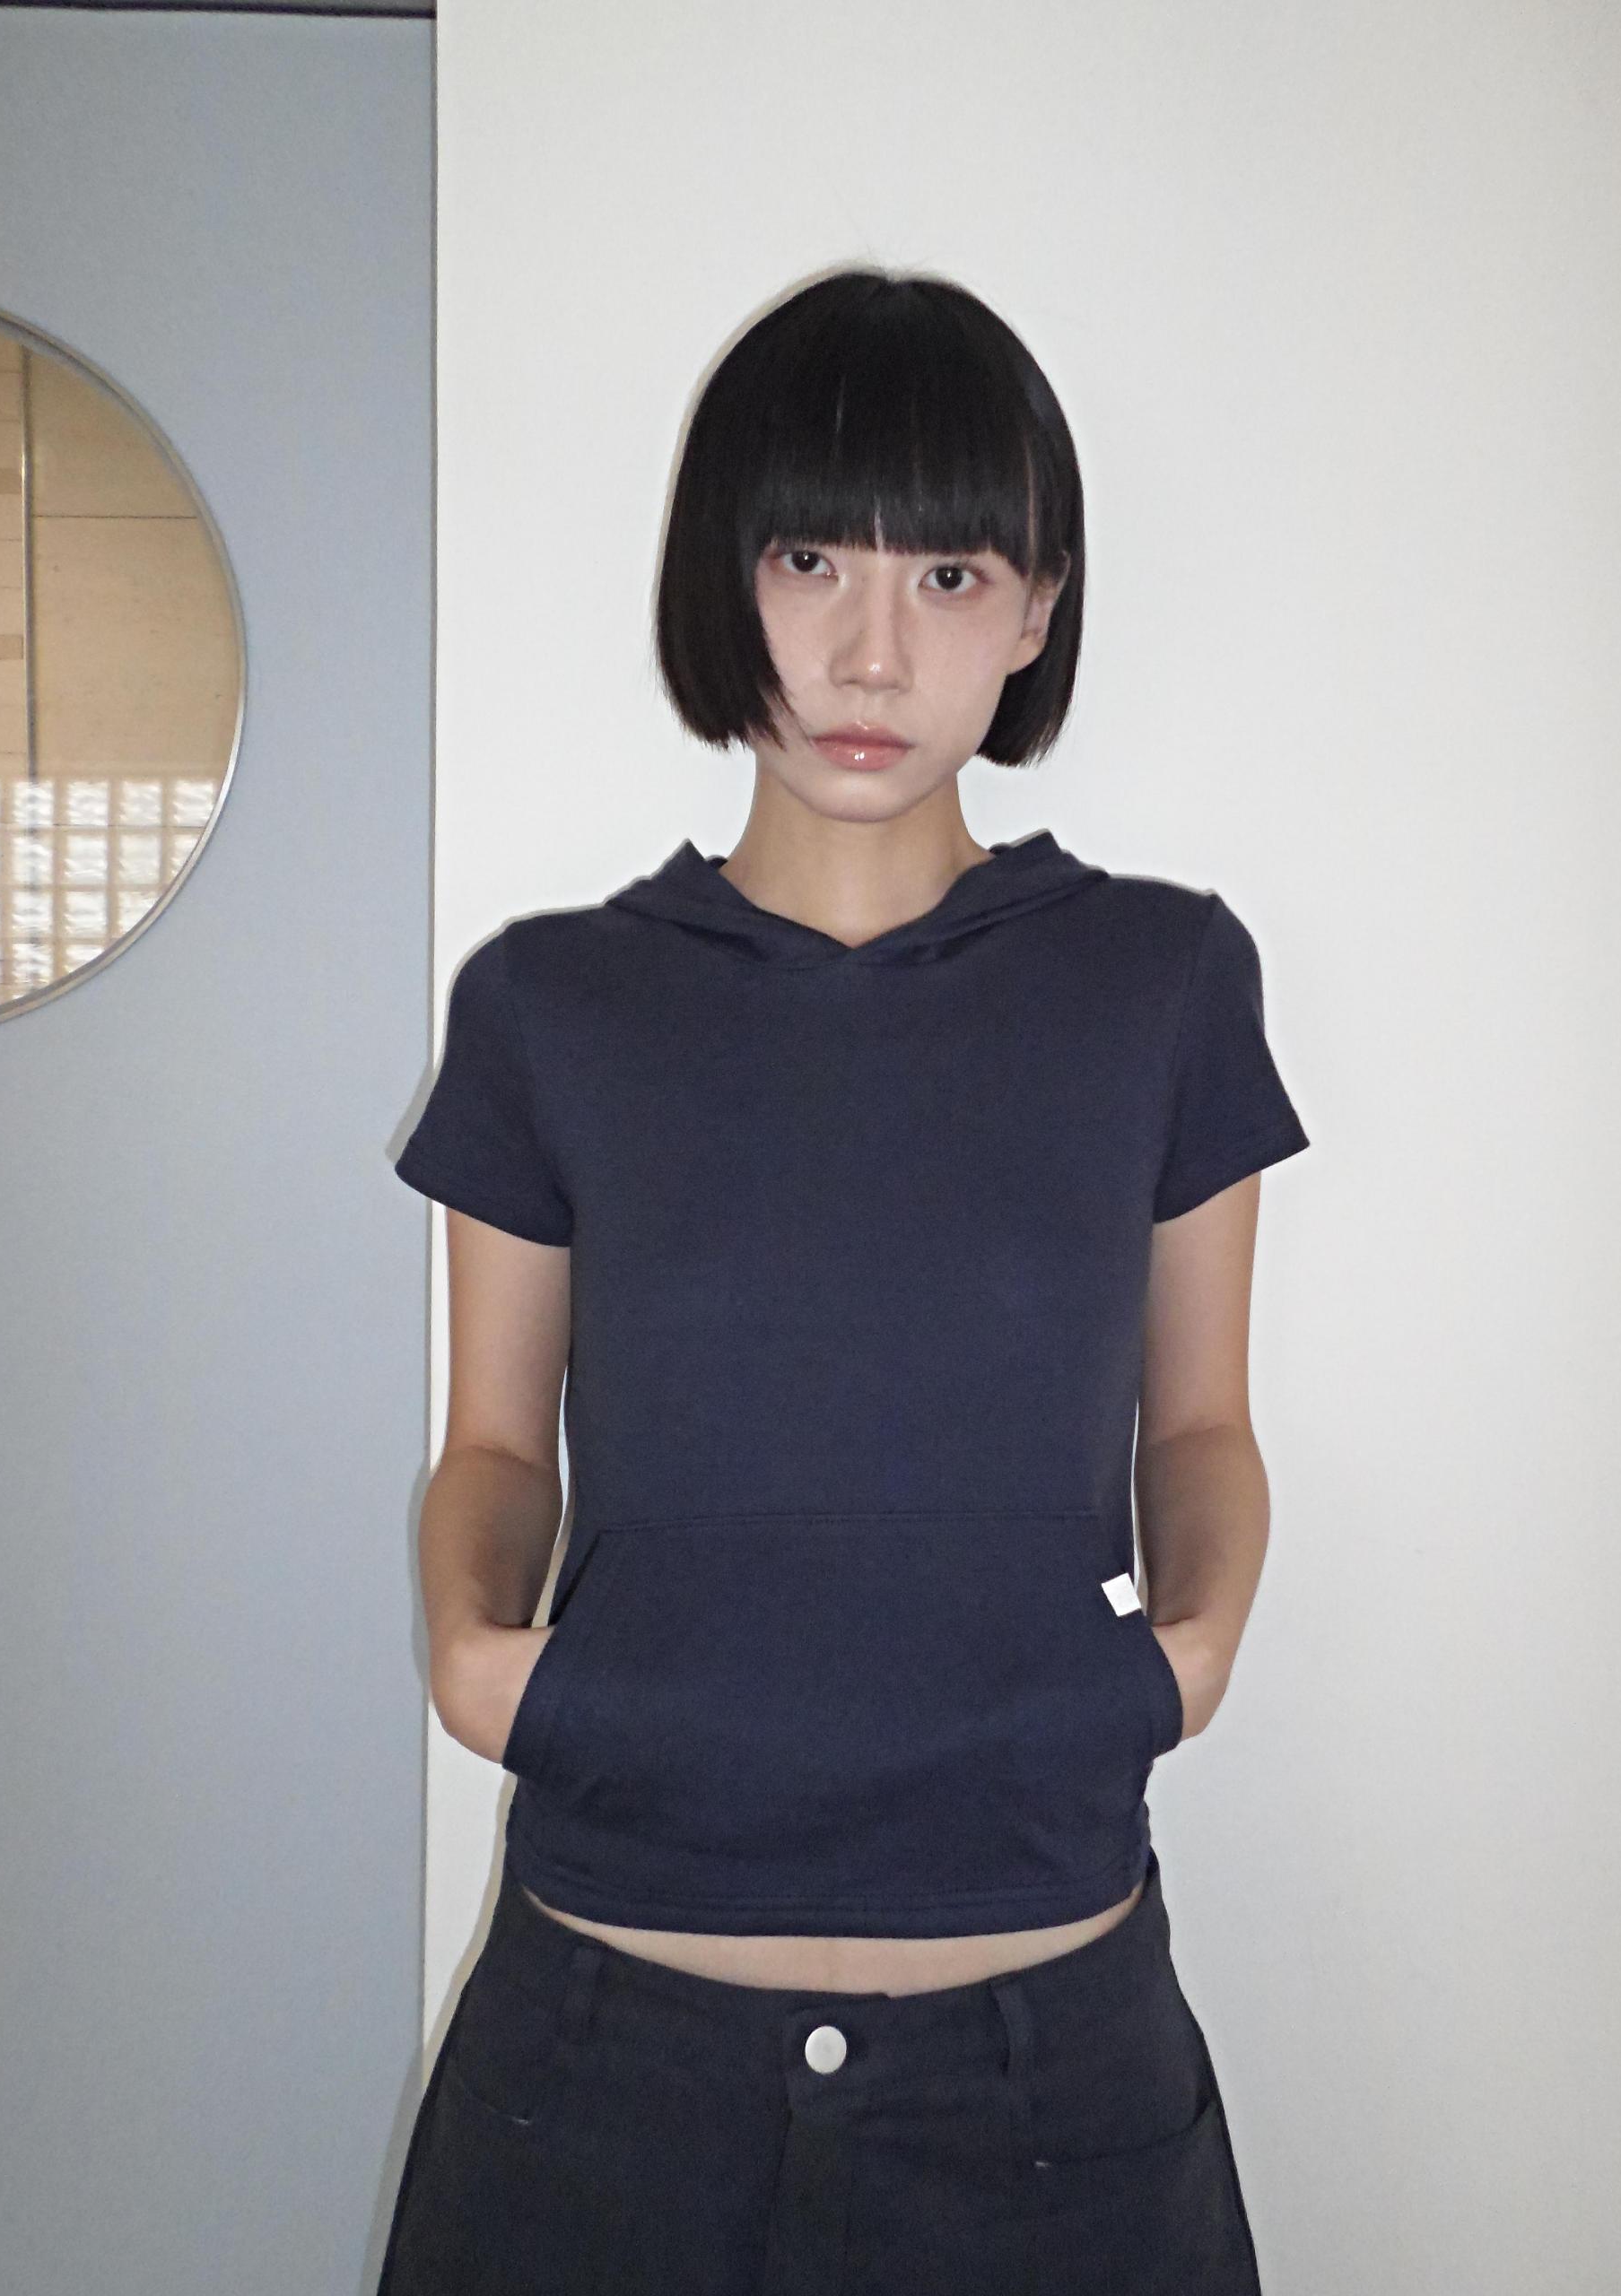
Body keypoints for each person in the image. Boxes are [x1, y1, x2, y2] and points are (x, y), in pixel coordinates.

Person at [377, 265, 1310, 2295]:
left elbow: (1201, 1421)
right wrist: (470, 1645)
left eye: (950, 574)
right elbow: (495, 1446)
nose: (871, 649)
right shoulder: (549, 1006)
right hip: (597, 2079)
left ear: (1038, 609)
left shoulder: (1160, 981)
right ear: (727, 571)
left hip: (1048, 2093)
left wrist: (1196, 1648)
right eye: (810, 559)